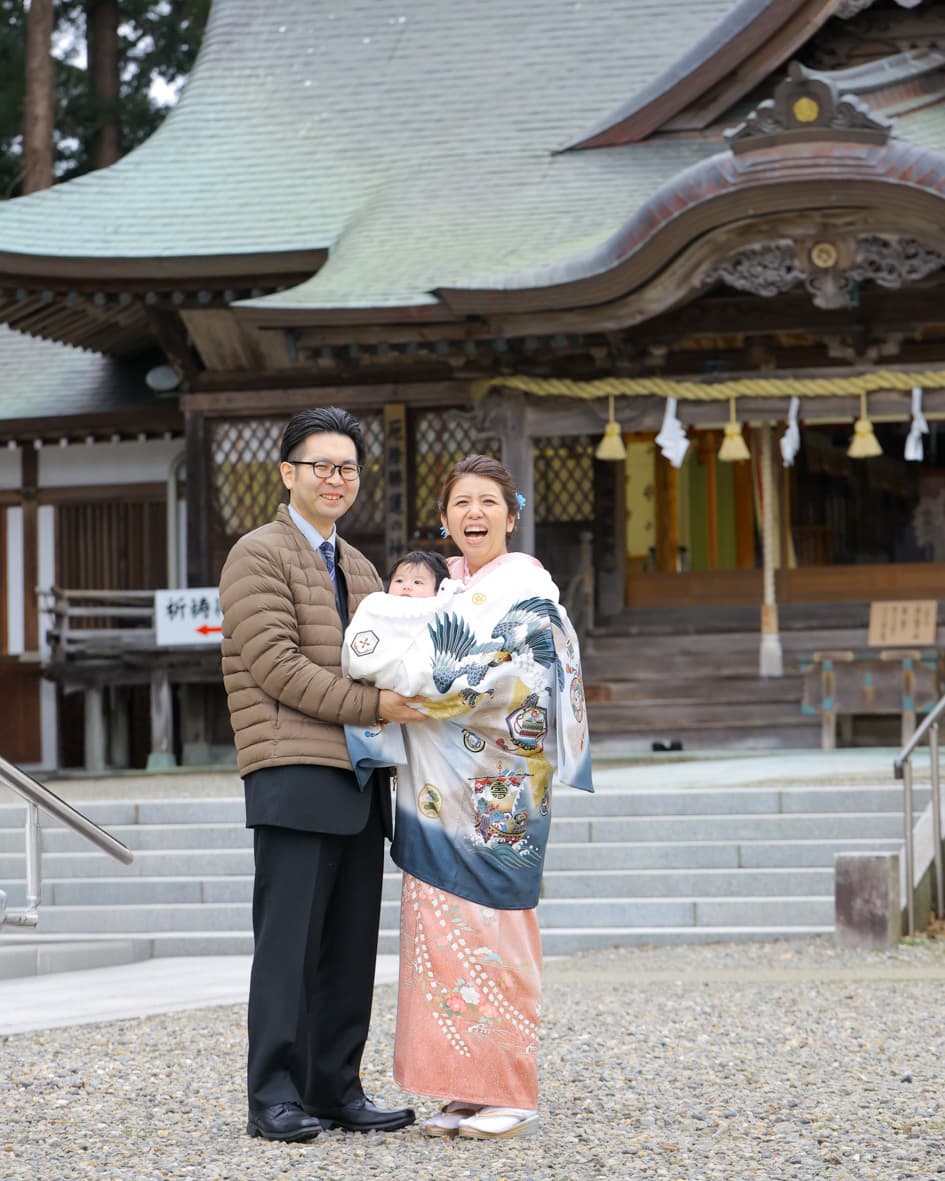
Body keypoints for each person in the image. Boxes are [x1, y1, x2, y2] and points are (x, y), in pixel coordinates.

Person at [342, 454, 593, 1141]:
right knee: (437, 930)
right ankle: (459, 1086)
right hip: (436, 795)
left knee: (496, 929)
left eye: (487, 502)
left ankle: (508, 1086)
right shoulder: (449, 590)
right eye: (461, 503)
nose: (473, 514)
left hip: (500, 789)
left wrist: (420, 679)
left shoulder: (525, 586)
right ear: (445, 517)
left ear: (511, 517)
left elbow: (504, 677)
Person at [219, 406, 426, 1143]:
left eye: (347, 468)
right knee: (287, 947)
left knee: (346, 947)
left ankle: (335, 1087)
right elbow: (276, 667)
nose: (336, 479)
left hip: (361, 776)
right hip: (291, 766)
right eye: (321, 466)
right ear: (287, 473)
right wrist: (377, 703)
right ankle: (271, 1094)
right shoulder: (257, 553)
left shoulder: (362, 566)